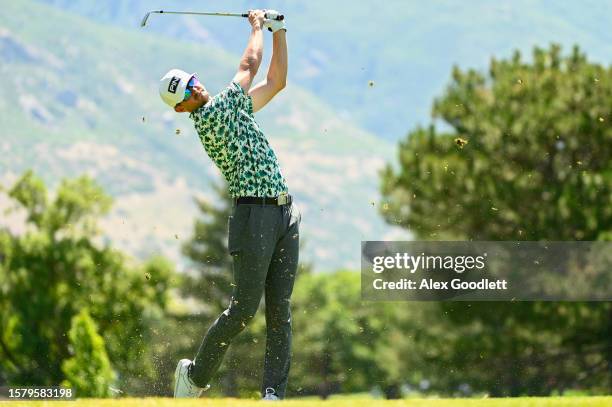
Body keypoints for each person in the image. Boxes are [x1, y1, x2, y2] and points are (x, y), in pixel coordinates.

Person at [158, 9, 300, 402]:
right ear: (181, 109)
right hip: (253, 215)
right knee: (243, 311)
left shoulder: (234, 111)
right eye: (185, 93)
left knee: (280, 312)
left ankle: (273, 393)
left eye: (191, 82)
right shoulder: (215, 115)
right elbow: (249, 66)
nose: (194, 90)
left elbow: (277, 81)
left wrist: (279, 30)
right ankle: (195, 377)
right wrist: (256, 27)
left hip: (285, 214)